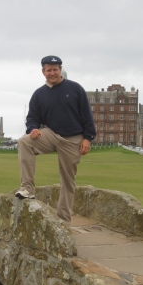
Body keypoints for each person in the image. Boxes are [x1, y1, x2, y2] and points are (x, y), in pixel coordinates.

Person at [15, 55, 96, 223]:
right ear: (43, 72)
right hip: (51, 134)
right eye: (48, 70)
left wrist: (87, 138)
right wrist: (33, 129)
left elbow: (87, 115)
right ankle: (28, 188)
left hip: (73, 138)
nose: (52, 73)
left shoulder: (75, 89)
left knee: (67, 179)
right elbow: (32, 118)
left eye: (55, 69)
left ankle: (63, 219)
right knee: (24, 142)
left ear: (60, 70)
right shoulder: (39, 94)